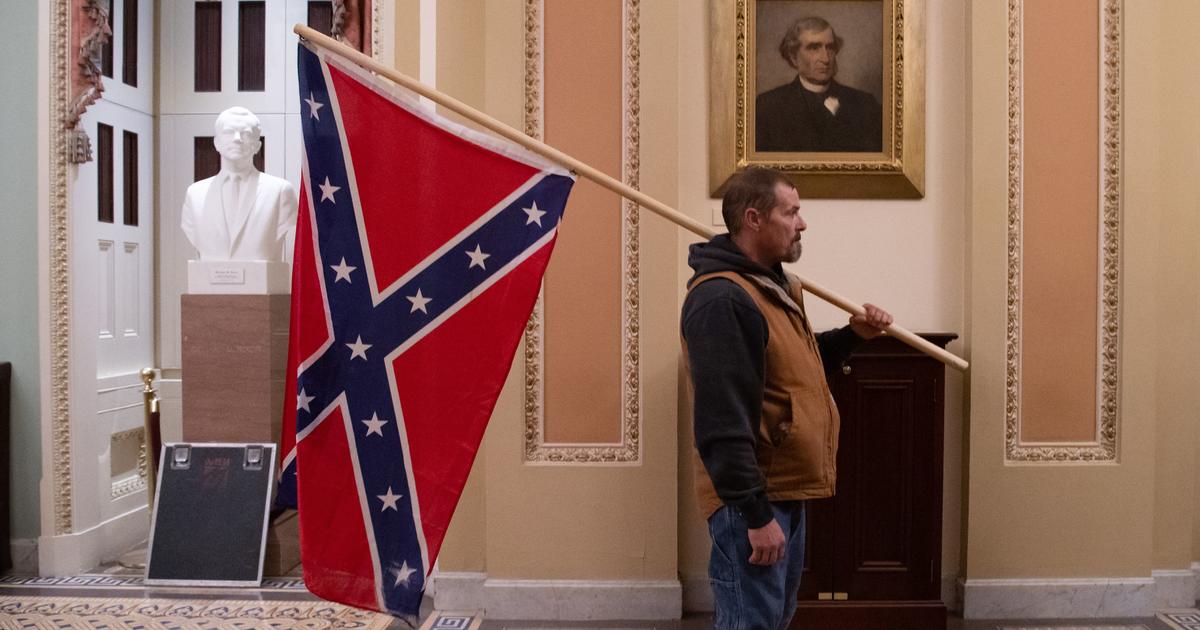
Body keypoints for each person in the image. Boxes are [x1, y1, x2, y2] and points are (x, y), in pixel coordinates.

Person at [681, 167, 893, 629]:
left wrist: (854, 336)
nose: (802, 223)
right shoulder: (723, 300)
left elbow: (799, 367)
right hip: (752, 501)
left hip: (782, 492)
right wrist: (755, 514)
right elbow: (721, 424)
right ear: (754, 219)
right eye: (791, 212)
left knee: (772, 621)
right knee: (750, 624)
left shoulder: (776, 285)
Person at [181, 107, 298, 262]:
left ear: (257, 146)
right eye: (229, 132)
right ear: (216, 143)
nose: (237, 138)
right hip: (209, 282)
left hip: (262, 282)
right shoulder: (195, 194)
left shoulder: (280, 191)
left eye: (246, 133)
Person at [755, 17, 883, 153]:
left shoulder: (866, 104)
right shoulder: (767, 106)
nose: (826, 59)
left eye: (830, 48)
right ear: (793, 57)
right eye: (814, 48)